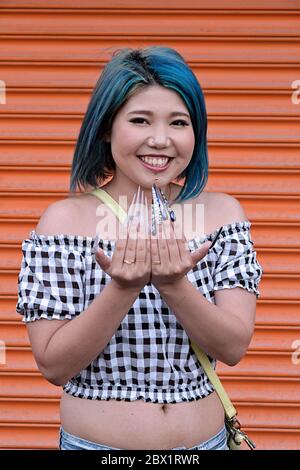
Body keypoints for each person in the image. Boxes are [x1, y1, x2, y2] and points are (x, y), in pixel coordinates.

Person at [16, 46, 263, 451]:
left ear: (195, 131)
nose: (160, 139)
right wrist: (122, 289)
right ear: (107, 128)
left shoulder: (222, 215)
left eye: (179, 122)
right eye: (140, 120)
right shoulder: (62, 221)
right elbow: (53, 364)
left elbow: (233, 346)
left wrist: (174, 285)